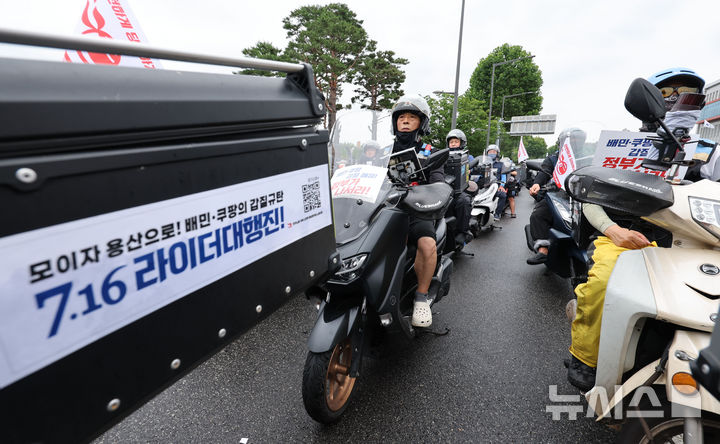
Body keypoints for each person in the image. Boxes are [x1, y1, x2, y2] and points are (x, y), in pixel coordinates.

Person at [567, 68, 706, 391]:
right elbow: (590, 200)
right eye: (667, 94)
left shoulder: (706, 152)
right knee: (603, 282)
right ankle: (586, 357)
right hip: (624, 237)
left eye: (686, 93)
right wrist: (613, 230)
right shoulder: (622, 147)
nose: (677, 100)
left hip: (690, 241)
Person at [390, 95, 444, 328]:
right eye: (401, 117)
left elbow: (438, 182)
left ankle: (421, 297)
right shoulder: (383, 150)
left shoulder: (430, 152)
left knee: (427, 244)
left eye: (411, 117)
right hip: (385, 206)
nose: (405, 121)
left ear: (422, 123)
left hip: (417, 210)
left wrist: (435, 189)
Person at [526, 128, 585, 265]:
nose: (574, 143)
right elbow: (544, 171)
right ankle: (543, 249)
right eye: (571, 140)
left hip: (583, 196)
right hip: (558, 195)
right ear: (562, 142)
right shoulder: (553, 158)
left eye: (578, 140)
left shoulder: (588, 158)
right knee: (538, 215)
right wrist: (537, 183)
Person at [446, 129, 474, 245]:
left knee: (464, 201)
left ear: (462, 143)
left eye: (456, 141)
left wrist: (469, 170)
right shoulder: (443, 155)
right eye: (451, 142)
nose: (453, 144)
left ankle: (463, 232)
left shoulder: (468, 156)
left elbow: (473, 168)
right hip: (445, 188)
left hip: (461, 189)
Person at [485, 145, 507, 221]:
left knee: (503, 195)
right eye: (490, 151)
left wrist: (501, 186)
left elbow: (503, 176)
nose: (492, 153)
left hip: (495, 186)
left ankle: (497, 213)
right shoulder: (483, 163)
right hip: (484, 186)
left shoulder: (501, 164)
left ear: (497, 153)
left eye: (494, 152)